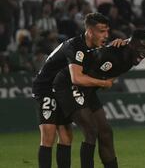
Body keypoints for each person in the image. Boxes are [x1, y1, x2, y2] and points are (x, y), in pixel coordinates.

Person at [52, 29, 145, 168]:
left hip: (88, 89)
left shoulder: (129, 60)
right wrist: (104, 82)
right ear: (131, 44)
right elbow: (83, 75)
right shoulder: (110, 53)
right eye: (141, 47)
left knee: (105, 132)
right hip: (70, 85)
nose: (144, 52)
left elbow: (106, 80)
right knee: (90, 131)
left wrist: (105, 82)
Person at [32, 12, 116, 168]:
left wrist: (120, 44)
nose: (106, 35)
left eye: (107, 31)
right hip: (45, 88)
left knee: (66, 136)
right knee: (48, 135)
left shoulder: (92, 47)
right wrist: (103, 84)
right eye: (102, 31)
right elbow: (77, 78)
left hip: (63, 89)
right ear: (90, 31)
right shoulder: (76, 46)